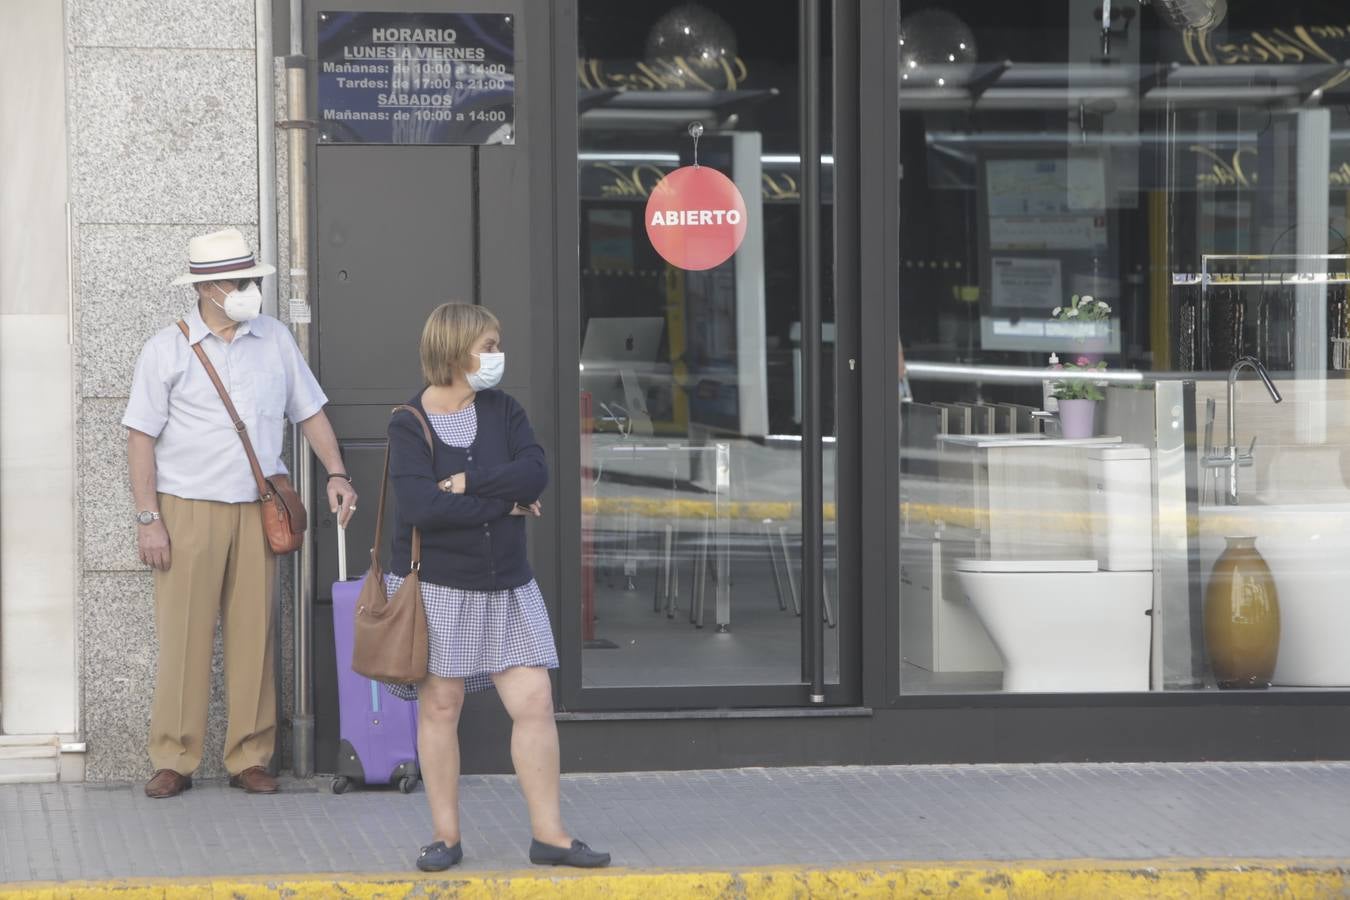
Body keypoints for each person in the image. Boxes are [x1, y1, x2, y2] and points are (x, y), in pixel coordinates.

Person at [123, 228, 357, 799]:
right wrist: (149, 518)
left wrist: (338, 471)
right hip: (188, 508)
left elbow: (310, 411)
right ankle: (174, 758)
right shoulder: (167, 348)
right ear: (205, 288)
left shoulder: (274, 338)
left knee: (255, 634)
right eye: (235, 281)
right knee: (184, 636)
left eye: (251, 278)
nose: (247, 289)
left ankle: (250, 757)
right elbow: (139, 437)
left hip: (258, 509)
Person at [385, 302, 610, 871]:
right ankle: (446, 837)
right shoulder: (409, 422)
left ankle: (551, 837)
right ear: (456, 350)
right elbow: (418, 507)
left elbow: (536, 471)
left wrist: (470, 482)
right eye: (488, 345)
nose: (496, 355)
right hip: (438, 585)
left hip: (506, 582)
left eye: (496, 344)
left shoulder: (504, 409)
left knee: (534, 701)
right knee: (441, 706)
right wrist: (503, 503)